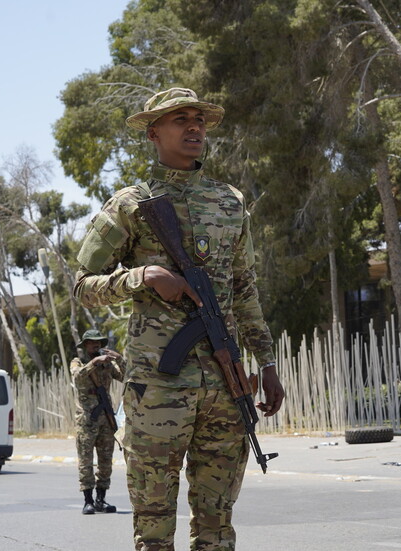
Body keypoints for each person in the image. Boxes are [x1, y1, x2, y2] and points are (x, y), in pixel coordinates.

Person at [73, 87, 285, 550]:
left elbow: (245, 288)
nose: (194, 127)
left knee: (217, 525)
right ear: (154, 133)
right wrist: (142, 277)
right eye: (179, 119)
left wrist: (267, 364)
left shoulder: (230, 202)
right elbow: (82, 286)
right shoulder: (130, 203)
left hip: (226, 387)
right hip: (159, 387)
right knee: (154, 526)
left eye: (199, 119)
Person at [70, 328, 124, 515]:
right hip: (87, 419)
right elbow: (77, 378)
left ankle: (101, 499)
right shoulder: (78, 362)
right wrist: (94, 362)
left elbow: (126, 376)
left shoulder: (108, 365)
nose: (97, 345)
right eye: (92, 342)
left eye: (99, 342)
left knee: (106, 461)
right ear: (85, 345)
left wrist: (119, 359)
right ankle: (88, 501)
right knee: (86, 461)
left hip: (106, 418)